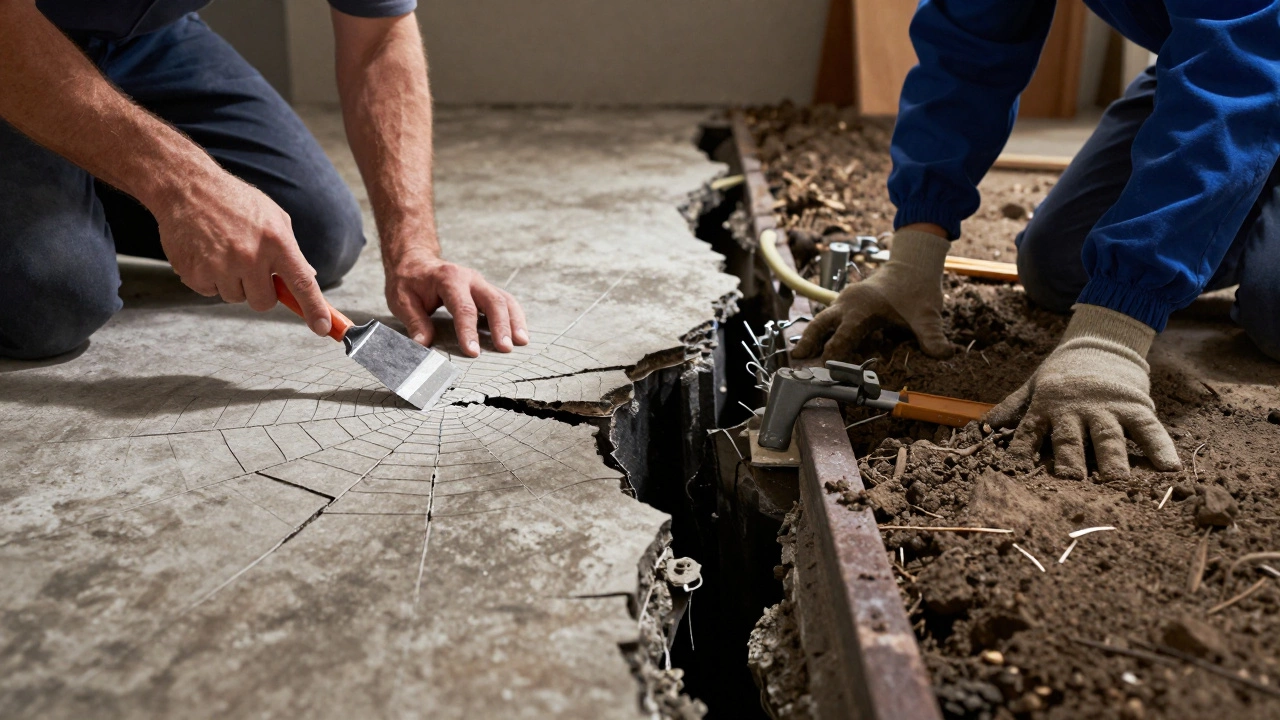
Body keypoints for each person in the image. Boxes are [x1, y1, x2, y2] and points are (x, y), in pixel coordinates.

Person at [795, 1, 1280, 479]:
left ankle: (1247, 188)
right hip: (1214, 64)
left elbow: (1233, 78)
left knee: (1273, 308)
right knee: (1062, 265)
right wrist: (915, 253)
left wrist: (1115, 333)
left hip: (1242, 66)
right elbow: (967, 46)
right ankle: (1249, 182)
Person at [0, 0, 527, 361]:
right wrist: (183, 186)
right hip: (16, 30)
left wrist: (415, 250)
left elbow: (377, 40)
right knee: (55, 300)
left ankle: (79, 181)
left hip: (143, 37)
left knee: (317, 237)